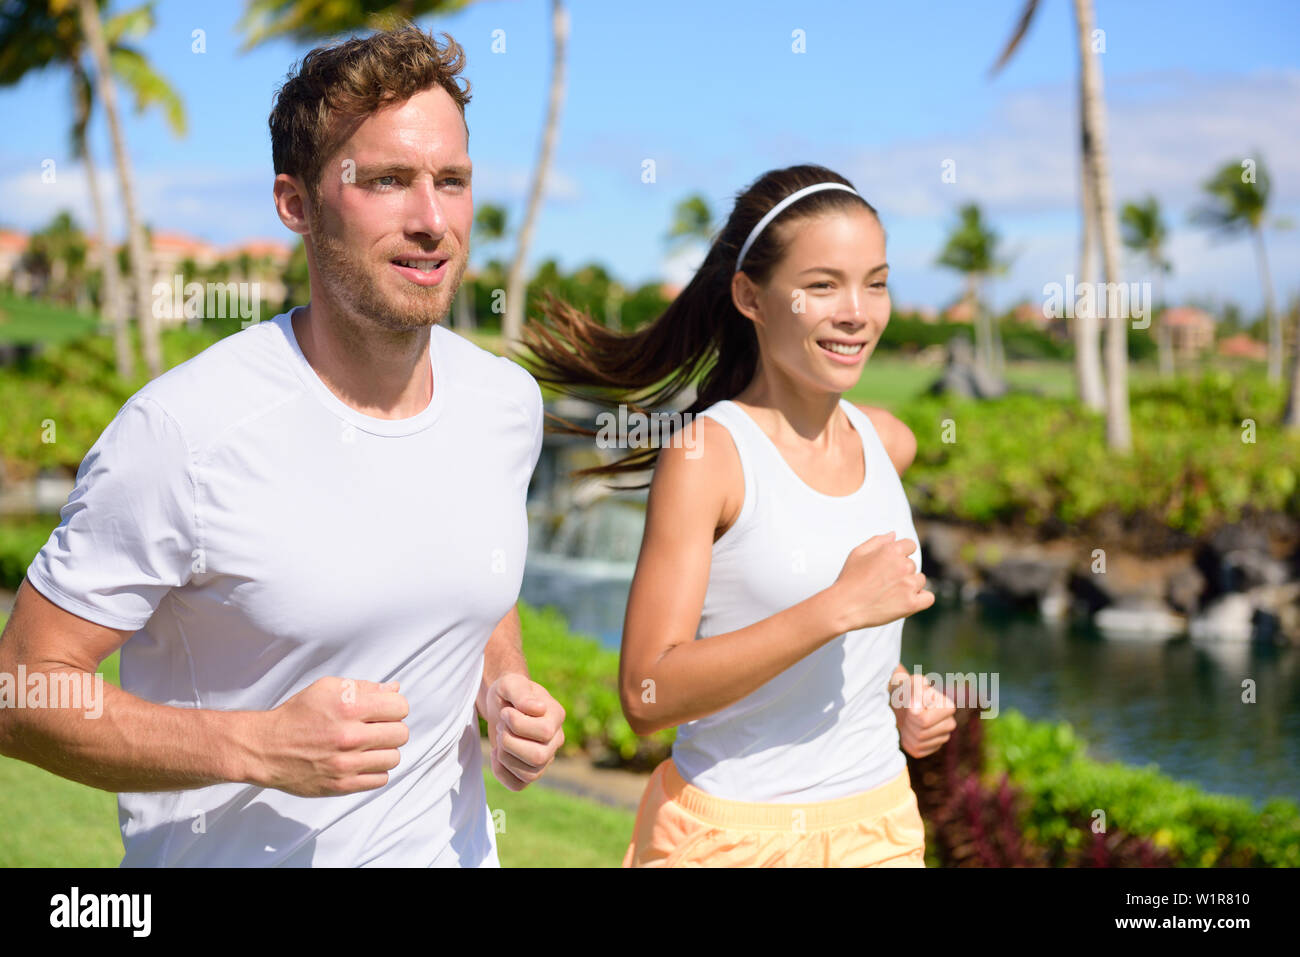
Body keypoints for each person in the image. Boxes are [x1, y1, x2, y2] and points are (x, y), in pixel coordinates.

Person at [0, 26, 565, 867]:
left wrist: (502, 689)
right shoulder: (183, 433)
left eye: (451, 181)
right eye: (385, 181)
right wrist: (257, 746)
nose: (431, 219)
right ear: (295, 203)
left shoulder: (505, 405)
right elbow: (21, 690)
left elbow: (470, 572)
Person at [520, 165, 956, 867]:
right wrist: (836, 606)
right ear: (751, 296)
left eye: (875, 282)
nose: (858, 311)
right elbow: (645, 691)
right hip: (732, 838)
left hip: (879, 827)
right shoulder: (708, 458)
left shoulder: (888, 441)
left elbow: (848, 643)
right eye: (822, 285)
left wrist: (900, 691)